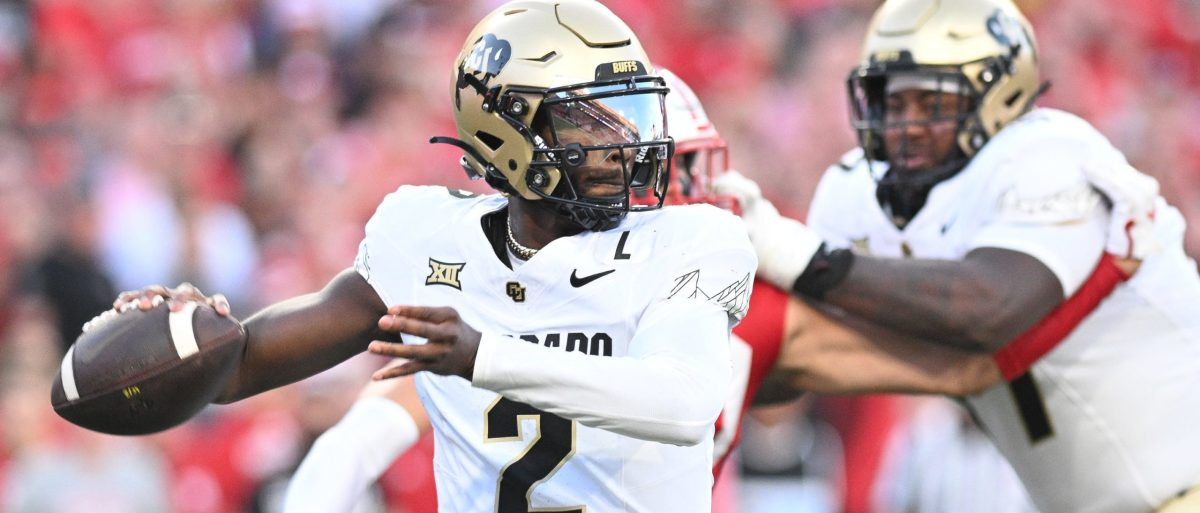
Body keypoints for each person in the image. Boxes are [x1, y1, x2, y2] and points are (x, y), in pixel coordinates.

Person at [282, 67, 1082, 513]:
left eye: (688, 166)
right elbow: (965, 361)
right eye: (678, 169)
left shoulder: (726, 299)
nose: (696, 189)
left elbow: (963, 361)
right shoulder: (523, 281)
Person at [108, 2, 757, 512]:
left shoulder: (692, 241)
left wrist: (482, 355)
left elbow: (683, 402)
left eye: (631, 115)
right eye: (591, 122)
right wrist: (184, 334)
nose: (625, 146)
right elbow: (242, 369)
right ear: (510, 128)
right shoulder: (429, 239)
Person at [714, 0, 1200, 512]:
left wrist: (811, 262)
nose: (907, 124)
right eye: (893, 102)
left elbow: (988, 310)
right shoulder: (858, 193)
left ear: (1000, 94)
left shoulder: (1048, 155)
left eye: (931, 102)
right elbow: (802, 364)